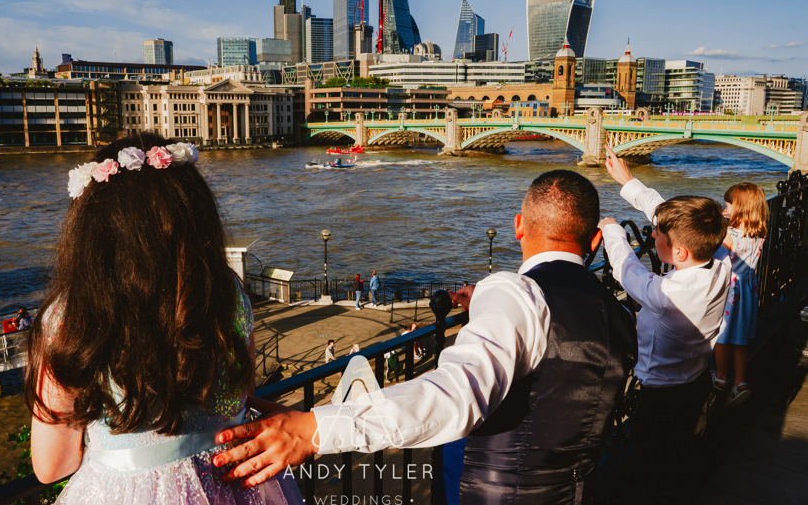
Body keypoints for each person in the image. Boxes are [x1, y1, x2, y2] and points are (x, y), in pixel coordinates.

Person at [213, 170, 637, 504]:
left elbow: (456, 395)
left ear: (518, 226)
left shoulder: (512, 291)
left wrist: (314, 428)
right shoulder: (618, 313)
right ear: (595, 241)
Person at [24, 133, 300, 504]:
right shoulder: (228, 294)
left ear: (91, 228)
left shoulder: (70, 315)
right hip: (236, 477)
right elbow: (239, 393)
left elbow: (51, 466)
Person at [599, 145, 730, 505]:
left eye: (657, 235)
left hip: (661, 399)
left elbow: (628, 270)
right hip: (696, 381)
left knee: (658, 467)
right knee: (687, 453)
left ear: (681, 253)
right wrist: (629, 182)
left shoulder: (666, 294)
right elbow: (670, 216)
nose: (652, 236)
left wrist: (612, 231)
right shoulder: (720, 260)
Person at [713, 182, 767, 407]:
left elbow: (716, 251)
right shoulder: (759, 232)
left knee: (722, 337)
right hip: (748, 289)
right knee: (740, 340)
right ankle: (740, 382)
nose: (726, 210)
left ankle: (722, 377)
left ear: (741, 208)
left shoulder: (730, 234)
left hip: (730, 290)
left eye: (729, 206)